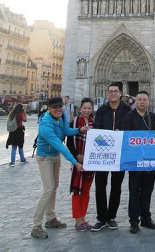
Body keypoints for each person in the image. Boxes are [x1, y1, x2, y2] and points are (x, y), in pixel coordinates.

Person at [31, 96, 88, 240]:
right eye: (54, 107)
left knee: (54, 186)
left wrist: (79, 130)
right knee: (48, 188)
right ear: (48, 108)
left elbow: (66, 131)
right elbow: (60, 145)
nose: (58, 109)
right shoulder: (45, 125)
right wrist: (74, 161)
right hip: (44, 157)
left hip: (55, 157)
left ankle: (50, 218)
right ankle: (36, 225)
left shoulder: (61, 116)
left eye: (59, 106)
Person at [91, 82, 129, 231]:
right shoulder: (101, 110)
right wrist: (110, 139)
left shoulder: (127, 110)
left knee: (116, 186)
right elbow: (97, 130)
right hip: (102, 155)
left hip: (120, 154)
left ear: (120, 93)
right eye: (110, 91)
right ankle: (101, 218)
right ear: (107, 93)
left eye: (116, 91)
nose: (113, 94)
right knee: (100, 186)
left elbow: (129, 128)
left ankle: (111, 216)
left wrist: (121, 133)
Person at [120, 91, 155, 234]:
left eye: (145, 100)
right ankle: (134, 221)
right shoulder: (128, 117)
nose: (142, 102)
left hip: (150, 162)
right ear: (135, 101)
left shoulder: (153, 117)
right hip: (135, 162)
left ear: (148, 102)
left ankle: (146, 218)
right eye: (139, 99)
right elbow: (125, 139)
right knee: (134, 192)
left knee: (147, 191)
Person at [67, 97, 95, 231]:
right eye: (84, 108)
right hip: (78, 162)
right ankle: (77, 219)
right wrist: (76, 157)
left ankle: (83, 217)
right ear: (80, 108)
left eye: (89, 108)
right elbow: (69, 143)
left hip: (90, 162)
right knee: (77, 190)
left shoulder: (94, 123)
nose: (87, 111)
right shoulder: (73, 123)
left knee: (86, 191)